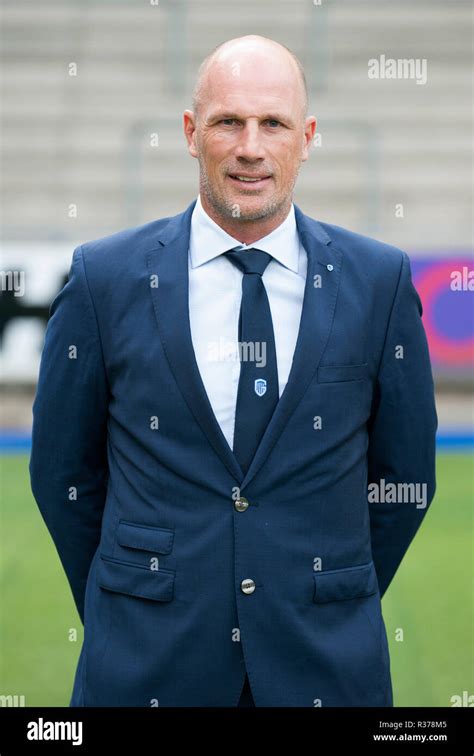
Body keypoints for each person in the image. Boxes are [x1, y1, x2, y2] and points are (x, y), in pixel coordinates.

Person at [29, 35, 437, 707]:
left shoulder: (379, 281)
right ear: (192, 133)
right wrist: (126, 597)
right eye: (228, 122)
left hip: (326, 667)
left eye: (272, 123)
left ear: (305, 138)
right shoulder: (105, 279)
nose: (251, 146)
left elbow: (406, 479)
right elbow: (62, 474)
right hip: (144, 667)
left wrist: (324, 592)